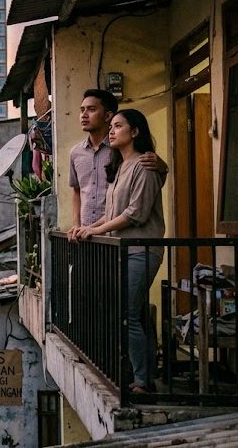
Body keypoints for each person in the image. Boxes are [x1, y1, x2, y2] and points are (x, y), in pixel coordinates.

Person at [75, 109, 165, 394]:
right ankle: (146, 374)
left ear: (135, 131)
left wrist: (96, 231)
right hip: (124, 251)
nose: (111, 131)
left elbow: (135, 214)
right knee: (136, 314)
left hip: (140, 250)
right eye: (111, 126)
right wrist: (86, 227)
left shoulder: (145, 166)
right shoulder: (120, 166)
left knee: (128, 314)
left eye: (118, 126)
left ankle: (141, 381)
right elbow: (111, 212)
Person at [66, 89, 165, 241]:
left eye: (91, 109)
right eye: (82, 110)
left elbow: (138, 207)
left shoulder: (124, 155)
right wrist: (78, 225)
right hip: (89, 234)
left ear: (107, 115)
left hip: (120, 237)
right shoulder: (77, 153)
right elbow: (77, 190)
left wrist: (164, 168)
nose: (84, 115)